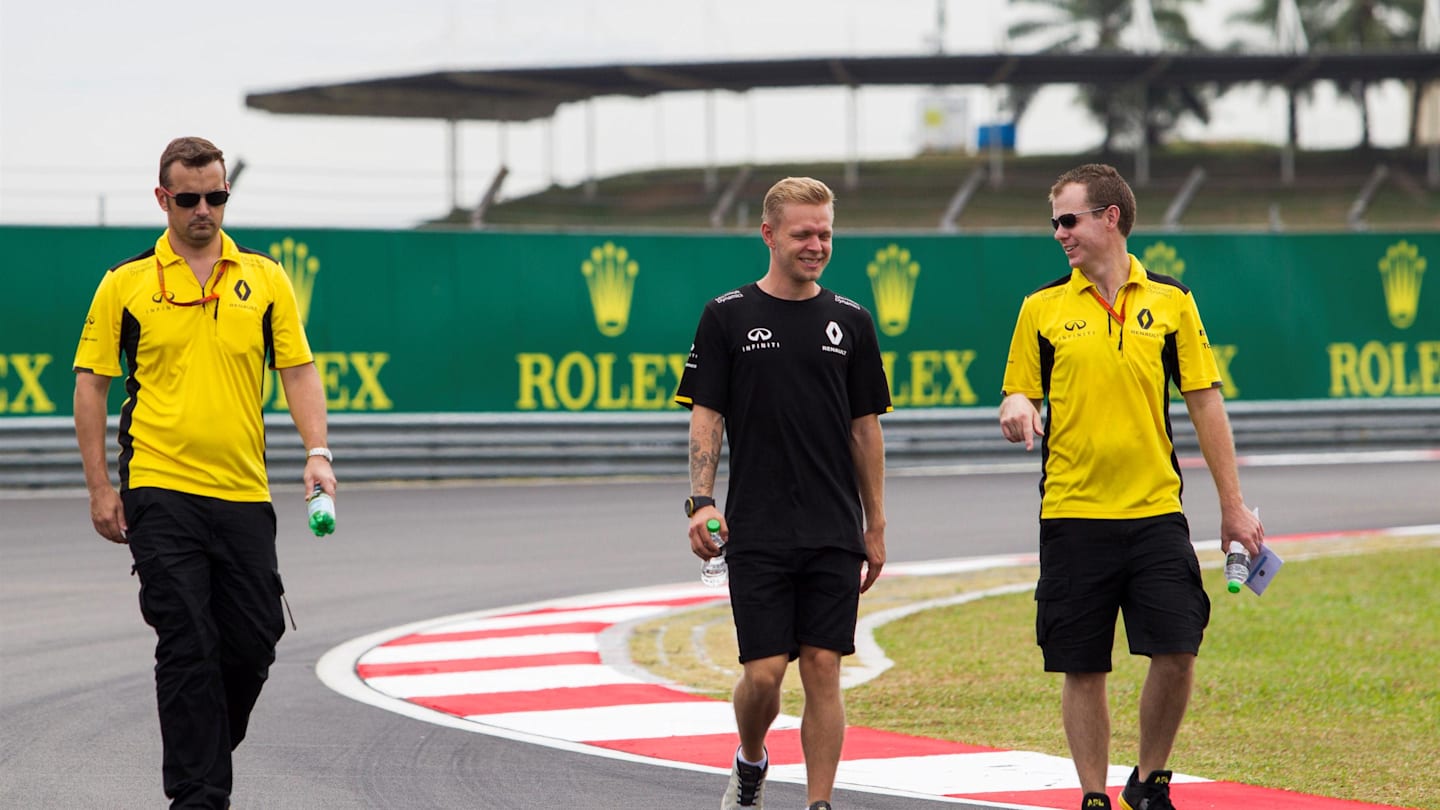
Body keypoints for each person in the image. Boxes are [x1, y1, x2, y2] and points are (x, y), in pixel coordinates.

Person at [73, 136, 336, 810]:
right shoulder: (125, 284)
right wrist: (102, 486)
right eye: (188, 198)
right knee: (187, 637)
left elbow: (299, 371)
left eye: (216, 196)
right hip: (160, 490)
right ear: (163, 199)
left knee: (251, 643)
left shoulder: (266, 278)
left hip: (244, 493)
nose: (203, 210)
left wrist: (318, 453)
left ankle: (203, 754)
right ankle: (198, 797)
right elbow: (92, 385)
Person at [998, 163, 1264, 810]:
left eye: (1069, 219)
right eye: (1054, 222)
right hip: (1071, 513)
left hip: (1155, 514)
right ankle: (1093, 795)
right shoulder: (1041, 307)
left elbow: (1205, 403)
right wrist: (1016, 407)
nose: (1059, 233)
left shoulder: (1171, 302)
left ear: (1110, 217)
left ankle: (1150, 778)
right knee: (1082, 665)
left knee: (1178, 649)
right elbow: (1017, 389)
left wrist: (1233, 507)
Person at [675, 176, 891, 810]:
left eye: (825, 232)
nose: (817, 244)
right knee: (764, 675)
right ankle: (750, 759)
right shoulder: (727, 315)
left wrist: (874, 523)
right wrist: (700, 500)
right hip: (757, 527)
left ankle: (819, 803)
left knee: (824, 666)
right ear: (768, 234)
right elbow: (705, 415)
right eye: (803, 233)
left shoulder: (851, 320)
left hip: (832, 525)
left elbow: (865, 429)